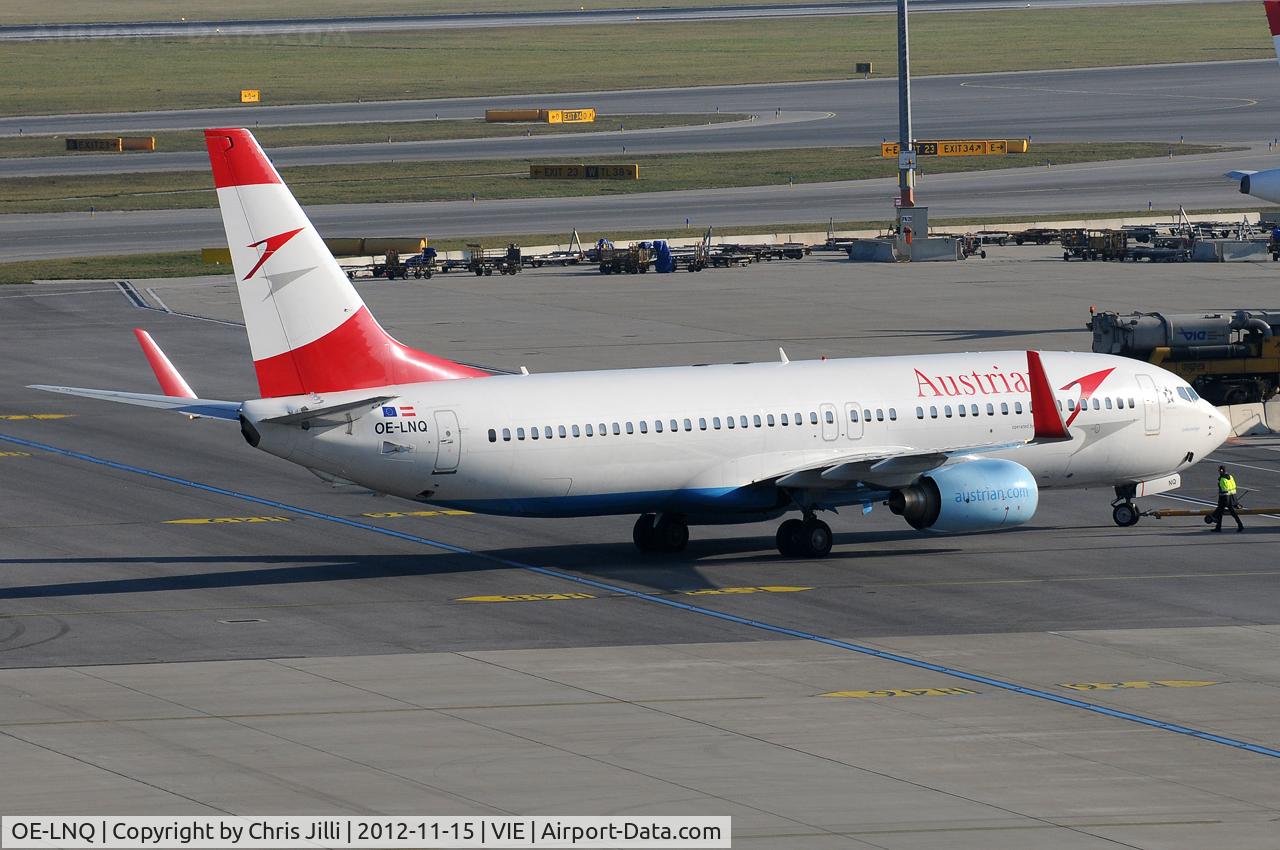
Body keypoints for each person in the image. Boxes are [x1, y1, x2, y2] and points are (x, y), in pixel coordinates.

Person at [1211, 465, 1244, 533]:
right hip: (1232, 496)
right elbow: (1233, 486)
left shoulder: (1222, 479)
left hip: (1225, 498)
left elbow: (1223, 490)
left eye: (1219, 470)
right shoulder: (1230, 476)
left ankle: (1218, 526)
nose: (1218, 472)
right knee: (1230, 513)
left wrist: (1219, 486)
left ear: (1221, 471)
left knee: (1221, 512)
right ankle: (1219, 527)